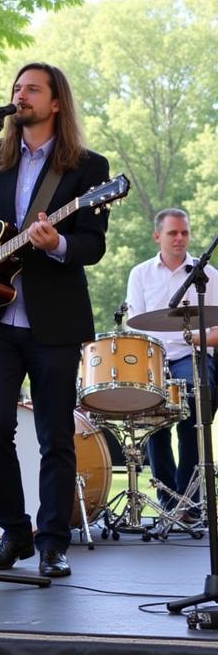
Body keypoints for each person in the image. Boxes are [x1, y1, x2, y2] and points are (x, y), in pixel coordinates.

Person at [0, 62, 111, 578]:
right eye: (16, 87)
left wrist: (59, 245)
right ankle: (14, 532)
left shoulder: (88, 169)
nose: (19, 94)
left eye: (32, 88)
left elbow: (94, 246)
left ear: (56, 103)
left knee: (55, 436)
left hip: (55, 324)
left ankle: (53, 542)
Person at [125, 208, 218, 513]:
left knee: (192, 410)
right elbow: (132, 324)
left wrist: (195, 337)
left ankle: (189, 503)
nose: (180, 238)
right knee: (154, 424)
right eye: (172, 233)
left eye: (184, 233)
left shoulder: (210, 276)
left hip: (192, 355)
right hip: (152, 359)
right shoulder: (140, 274)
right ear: (157, 237)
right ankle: (168, 501)